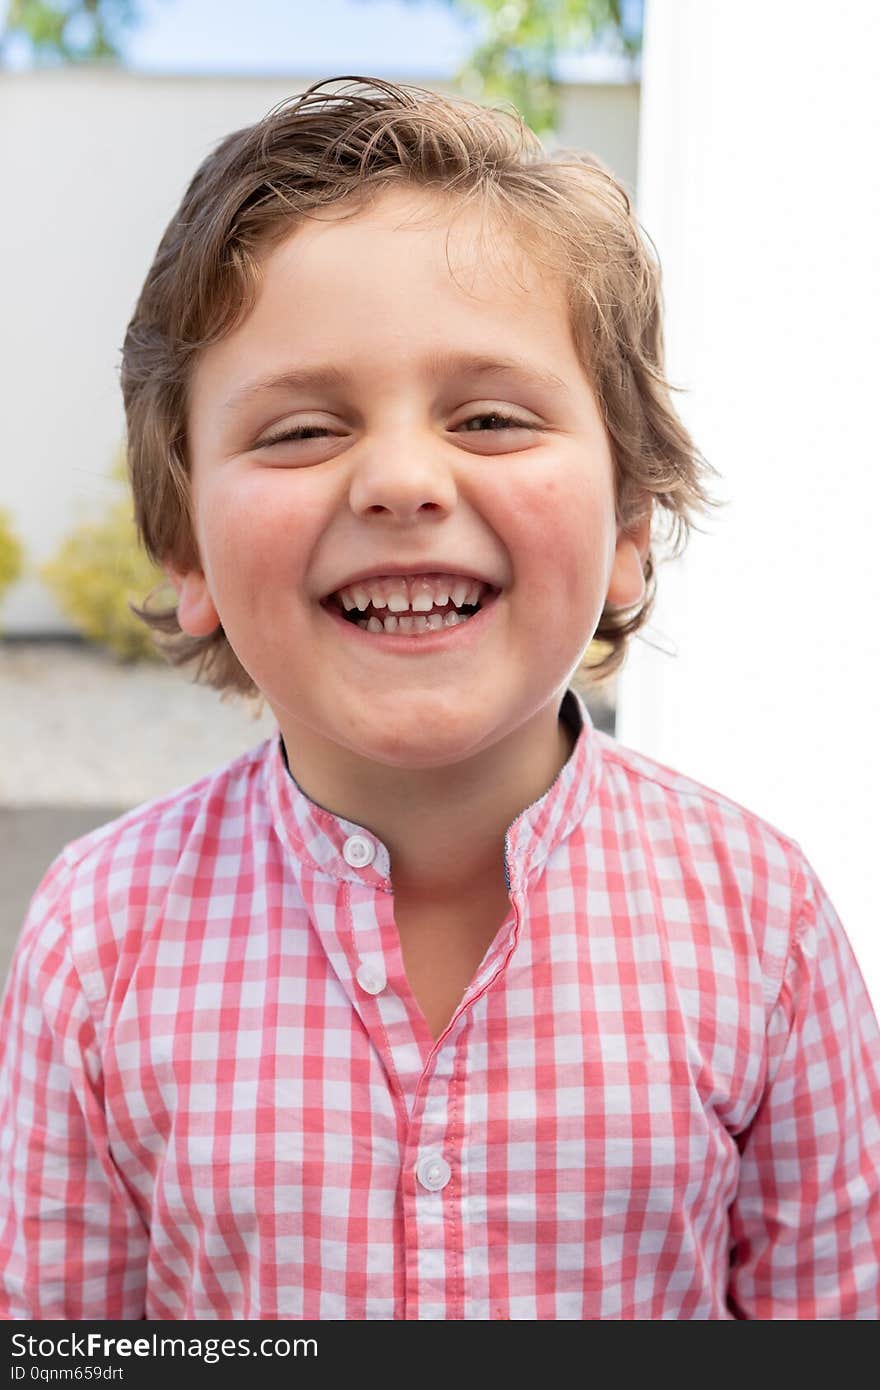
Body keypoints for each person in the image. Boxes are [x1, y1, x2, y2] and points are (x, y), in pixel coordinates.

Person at [1, 75, 878, 1322]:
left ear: (629, 525)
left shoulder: (763, 922)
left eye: (488, 416)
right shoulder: (97, 940)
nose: (402, 478)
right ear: (185, 551)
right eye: (302, 431)